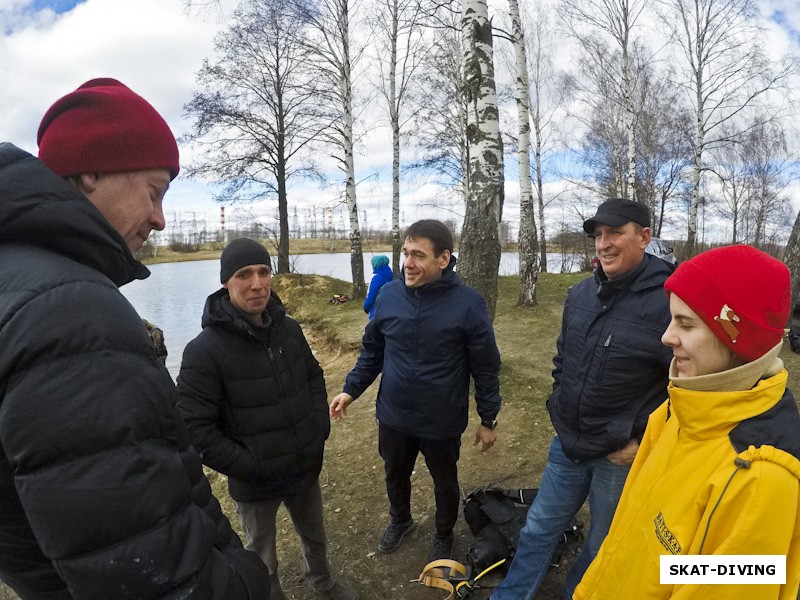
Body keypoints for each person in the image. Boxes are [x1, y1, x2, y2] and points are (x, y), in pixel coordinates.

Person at [0, 78, 269, 598]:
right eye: (154, 191)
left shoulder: (17, 279)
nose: (160, 219)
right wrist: (248, 580)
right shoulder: (69, 311)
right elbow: (147, 569)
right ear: (91, 170)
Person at [575, 244, 800, 600]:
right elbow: (644, 548)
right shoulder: (679, 409)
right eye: (671, 319)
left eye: (685, 323)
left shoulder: (759, 479)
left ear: (736, 338)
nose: (666, 337)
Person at [492, 198, 674, 600]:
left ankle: (579, 593)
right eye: (598, 235)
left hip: (618, 456)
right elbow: (564, 359)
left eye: (615, 233)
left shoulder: (670, 302)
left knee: (602, 542)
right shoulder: (580, 294)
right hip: (569, 443)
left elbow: (683, 388)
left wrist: (643, 441)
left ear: (644, 237)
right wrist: (560, 404)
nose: (603, 243)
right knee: (538, 527)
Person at [176, 238, 357, 600]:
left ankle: (323, 583)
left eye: (263, 272)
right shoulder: (204, 351)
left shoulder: (288, 328)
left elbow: (313, 375)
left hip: (303, 465)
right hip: (254, 481)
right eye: (244, 274)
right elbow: (193, 428)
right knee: (262, 555)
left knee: (316, 536)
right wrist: (249, 464)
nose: (257, 283)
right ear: (226, 282)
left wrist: (317, 428)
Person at [329, 219, 502, 562]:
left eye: (418, 255)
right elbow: (372, 351)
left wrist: (488, 419)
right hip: (393, 414)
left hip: (441, 418)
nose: (408, 263)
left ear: (443, 259)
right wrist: (351, 390)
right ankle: (401, 520)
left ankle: (443, 532)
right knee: (394, 474)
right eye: (406, 253)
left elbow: (485, 366)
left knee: (444, 481)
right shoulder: (390, 294)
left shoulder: (468, 303)